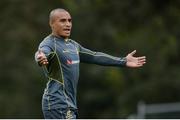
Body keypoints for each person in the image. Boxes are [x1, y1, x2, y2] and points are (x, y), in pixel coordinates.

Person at [34, 8, 146, 119]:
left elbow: (95, 56)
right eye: (63, 21)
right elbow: (41, 53)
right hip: (57, 104)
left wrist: (124, 61)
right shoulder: (48, 43)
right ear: (52, 23)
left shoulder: (73, 45)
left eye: (70, 20)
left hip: (69, 105)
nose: (68, 24)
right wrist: (40, 57)